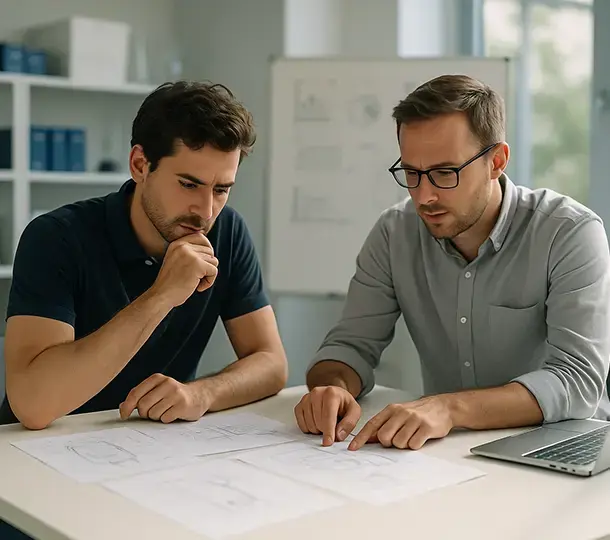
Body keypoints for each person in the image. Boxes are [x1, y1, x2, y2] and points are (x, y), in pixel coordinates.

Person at [294, 74, 610, 452]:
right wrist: (333, 389)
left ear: (496, 161)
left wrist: (450, 407)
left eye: (445, 173)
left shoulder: (569, 232)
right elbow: (349, 346)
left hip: (558, 448)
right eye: (412, 174)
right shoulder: (395, 233)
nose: (424, 196)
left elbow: (578, 381)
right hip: (448, 451)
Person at [0, 80, 288, 430]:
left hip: (151, 447)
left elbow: (271, 363)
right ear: (139, 165)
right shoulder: (55, 237)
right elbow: (33, 405)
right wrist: (161, 296)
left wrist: (202, 394)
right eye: (188, 184)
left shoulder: (227, 231)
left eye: (221, 189)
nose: (206, 210)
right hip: (37, 450)